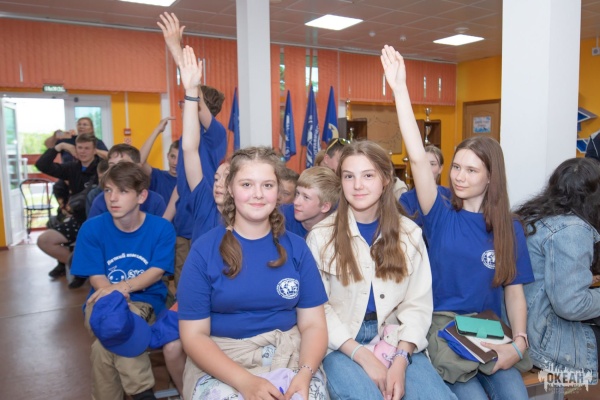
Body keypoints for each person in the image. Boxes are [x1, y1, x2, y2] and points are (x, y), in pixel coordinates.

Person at [381, 45, 534, 399]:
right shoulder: (440, 211)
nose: (460, 176)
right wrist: (400, 89)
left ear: (491, 177)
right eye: (457, 167)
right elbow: (418, 159)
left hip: (488, 330)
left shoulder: (509, 227)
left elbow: (514, 292)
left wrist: (520, 342)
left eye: (471, 170)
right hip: (444, 328)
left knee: (516, 395)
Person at [306, 140, 454, 400]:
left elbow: (418, 305)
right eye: (349, 176)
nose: (357, 185)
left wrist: (401, 358)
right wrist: (362, 355)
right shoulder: (321, 236)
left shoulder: (409, 234)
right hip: (341, 342)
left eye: (368, 176)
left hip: (397, 337)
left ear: (386, 179)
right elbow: (319, 310)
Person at [70, 161, 176, 400]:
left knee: (107, 341)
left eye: (123, 191)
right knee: (117, 319)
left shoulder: (161, 228)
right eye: (108, 190)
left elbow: (156, 272)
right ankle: (142, 394)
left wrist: (121, 288)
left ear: (141, 196)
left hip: (148, 300)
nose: (112, 198)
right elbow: (97, 277)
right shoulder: (92, 229)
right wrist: (117, 297)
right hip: (102, 300)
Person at [158, 12, 227, 289]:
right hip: (187, 220)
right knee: (184, 281)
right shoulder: (189, 139)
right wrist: (166, 219)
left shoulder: (215, 135)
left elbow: (195, 103)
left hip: (208, 216)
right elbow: (181, 184)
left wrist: (177, 51)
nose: (184, 107)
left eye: (186, 103)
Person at [515, 158, 600, 379]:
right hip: (545, 341)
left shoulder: (535, 215)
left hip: (523, 329)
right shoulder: (572, 229)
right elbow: (572, 305)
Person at [35, 132, 102, 280]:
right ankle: (83, 266)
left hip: (99, 224)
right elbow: (41, 165)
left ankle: (89, 268)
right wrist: (60, 146)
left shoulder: (103, 168)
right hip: (78, 221)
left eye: (87, 148)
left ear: (94, 150)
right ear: (75, 149)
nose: (83, 151)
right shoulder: (71, 168)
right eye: (80, 148)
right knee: (44, 240)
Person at [88, 144, 166, 219]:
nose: (116, 170)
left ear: (137, 167)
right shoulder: (100, 201)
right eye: (112, 165)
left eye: (122, 164)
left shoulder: (155, 201)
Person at [400, 145, 451, 227]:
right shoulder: (406, 199)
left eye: (432, 164)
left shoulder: (449, 195)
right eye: (424, 163)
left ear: (440, 168)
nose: (427, 167)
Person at [281, 166, 340, 238]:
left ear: (324, 207)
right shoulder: (280, 216)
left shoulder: (338, 230)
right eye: (297, 193)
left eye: (306, 197)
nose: (295, 202)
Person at [139, 116, 178, 205]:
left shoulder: (189, 182)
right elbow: (140, 161)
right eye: (173, 156)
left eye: (180, 159)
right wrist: (157, 130)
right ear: (167, 156)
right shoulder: (158, 176)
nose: (175, 162)